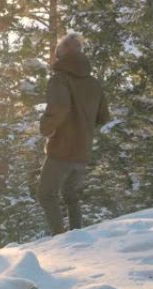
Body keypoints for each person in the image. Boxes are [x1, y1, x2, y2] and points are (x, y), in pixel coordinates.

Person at [37, 33, 110, 235]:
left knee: (46, 194)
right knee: (71, 195)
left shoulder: (59, 79)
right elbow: (103, 116)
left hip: (61, 149)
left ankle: (59, 238)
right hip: (83, 152)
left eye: (57, 51)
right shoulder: (94, 83)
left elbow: (59, 107)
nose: (55, 54)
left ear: (63, 53)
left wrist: (45, 127)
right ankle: (76, 238)